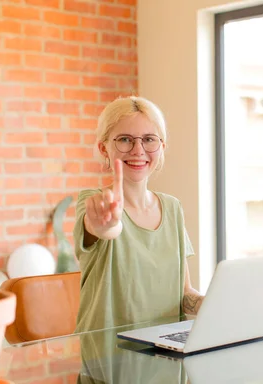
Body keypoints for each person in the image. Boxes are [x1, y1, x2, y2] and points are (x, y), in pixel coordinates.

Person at [73, 96, 203, 333]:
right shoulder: (96, 203)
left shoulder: (173, 208)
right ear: (104, 148)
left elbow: (184, 294)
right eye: (124, 140)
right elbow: (105, 228)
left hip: (166, 354)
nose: (138, 150)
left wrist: (215, 306)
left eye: (149, 140)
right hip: (108, 358)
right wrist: (106, 225)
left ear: (161, 147)